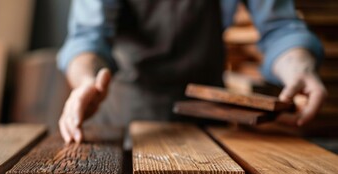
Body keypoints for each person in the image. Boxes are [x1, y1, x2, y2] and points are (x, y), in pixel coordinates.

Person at [57, 0, 327, 143]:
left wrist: (299, 69)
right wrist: (86, 82)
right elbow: (86, 39)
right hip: (126, 117)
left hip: (209, 119)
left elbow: (279, 28)